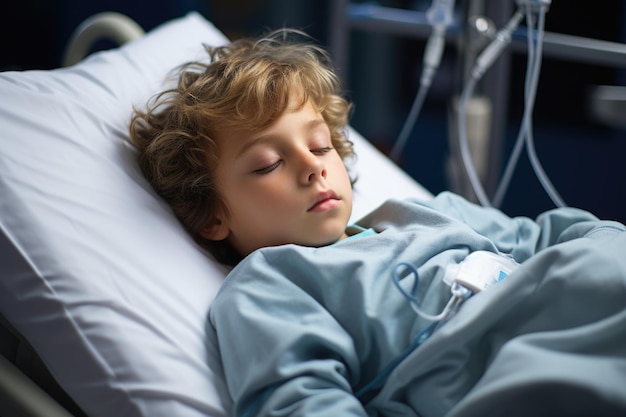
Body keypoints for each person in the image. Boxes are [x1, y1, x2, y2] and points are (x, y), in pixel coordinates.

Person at [130, 29, 626, 417]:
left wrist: (604, 250)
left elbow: (555, 235)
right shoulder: (271, 284)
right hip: (514, 366)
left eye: (321, 145)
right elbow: (298, 399)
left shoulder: (432, 213)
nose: (313, 166)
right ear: (212, 214)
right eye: (267, 163)